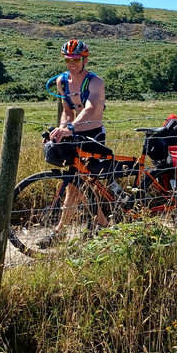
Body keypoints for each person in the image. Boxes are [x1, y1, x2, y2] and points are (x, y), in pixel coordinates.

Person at [40, 40, 109, 247]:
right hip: (75, 135)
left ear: (85, 60)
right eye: (68, 59)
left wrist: (70, 128)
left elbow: (89, 108)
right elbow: (67, 111)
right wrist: (61, 129)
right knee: (77, 185)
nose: (72, 63)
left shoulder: (95, 82)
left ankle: (60, 232)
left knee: (78, 186)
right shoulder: (62, 82)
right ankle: (104, 224)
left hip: (94, 136)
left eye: (76, 59)